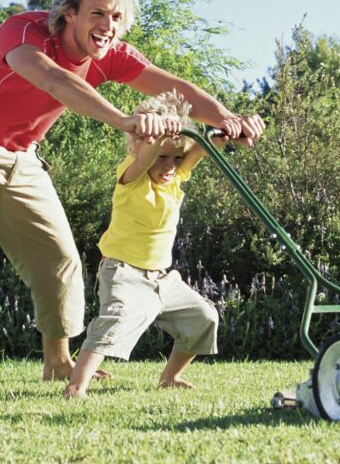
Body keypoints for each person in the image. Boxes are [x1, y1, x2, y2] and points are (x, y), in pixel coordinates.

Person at [0, 0, 264, 399]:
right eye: (98, 13)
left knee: (58, 255)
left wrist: (228, 118)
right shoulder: (21, 34)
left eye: (116, 17)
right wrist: (124, 120)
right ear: (69, 12)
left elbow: (176, 87)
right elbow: (56, 81)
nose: (108, 26)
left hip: (21, 156)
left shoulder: (111, 54)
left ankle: (58, 363)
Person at [64, 91, 241, 398]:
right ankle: (77, 386)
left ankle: (170, 377)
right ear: (140, 147)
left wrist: (226, 131)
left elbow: (204, 148)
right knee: (113, 321)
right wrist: (157, 135)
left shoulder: (175, 176)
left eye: (176, 157)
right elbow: (148, 155)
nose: (170, 165)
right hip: (124, 272)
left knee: (204, 318)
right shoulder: (132, 174)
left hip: (162, 278)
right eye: (163, 157)